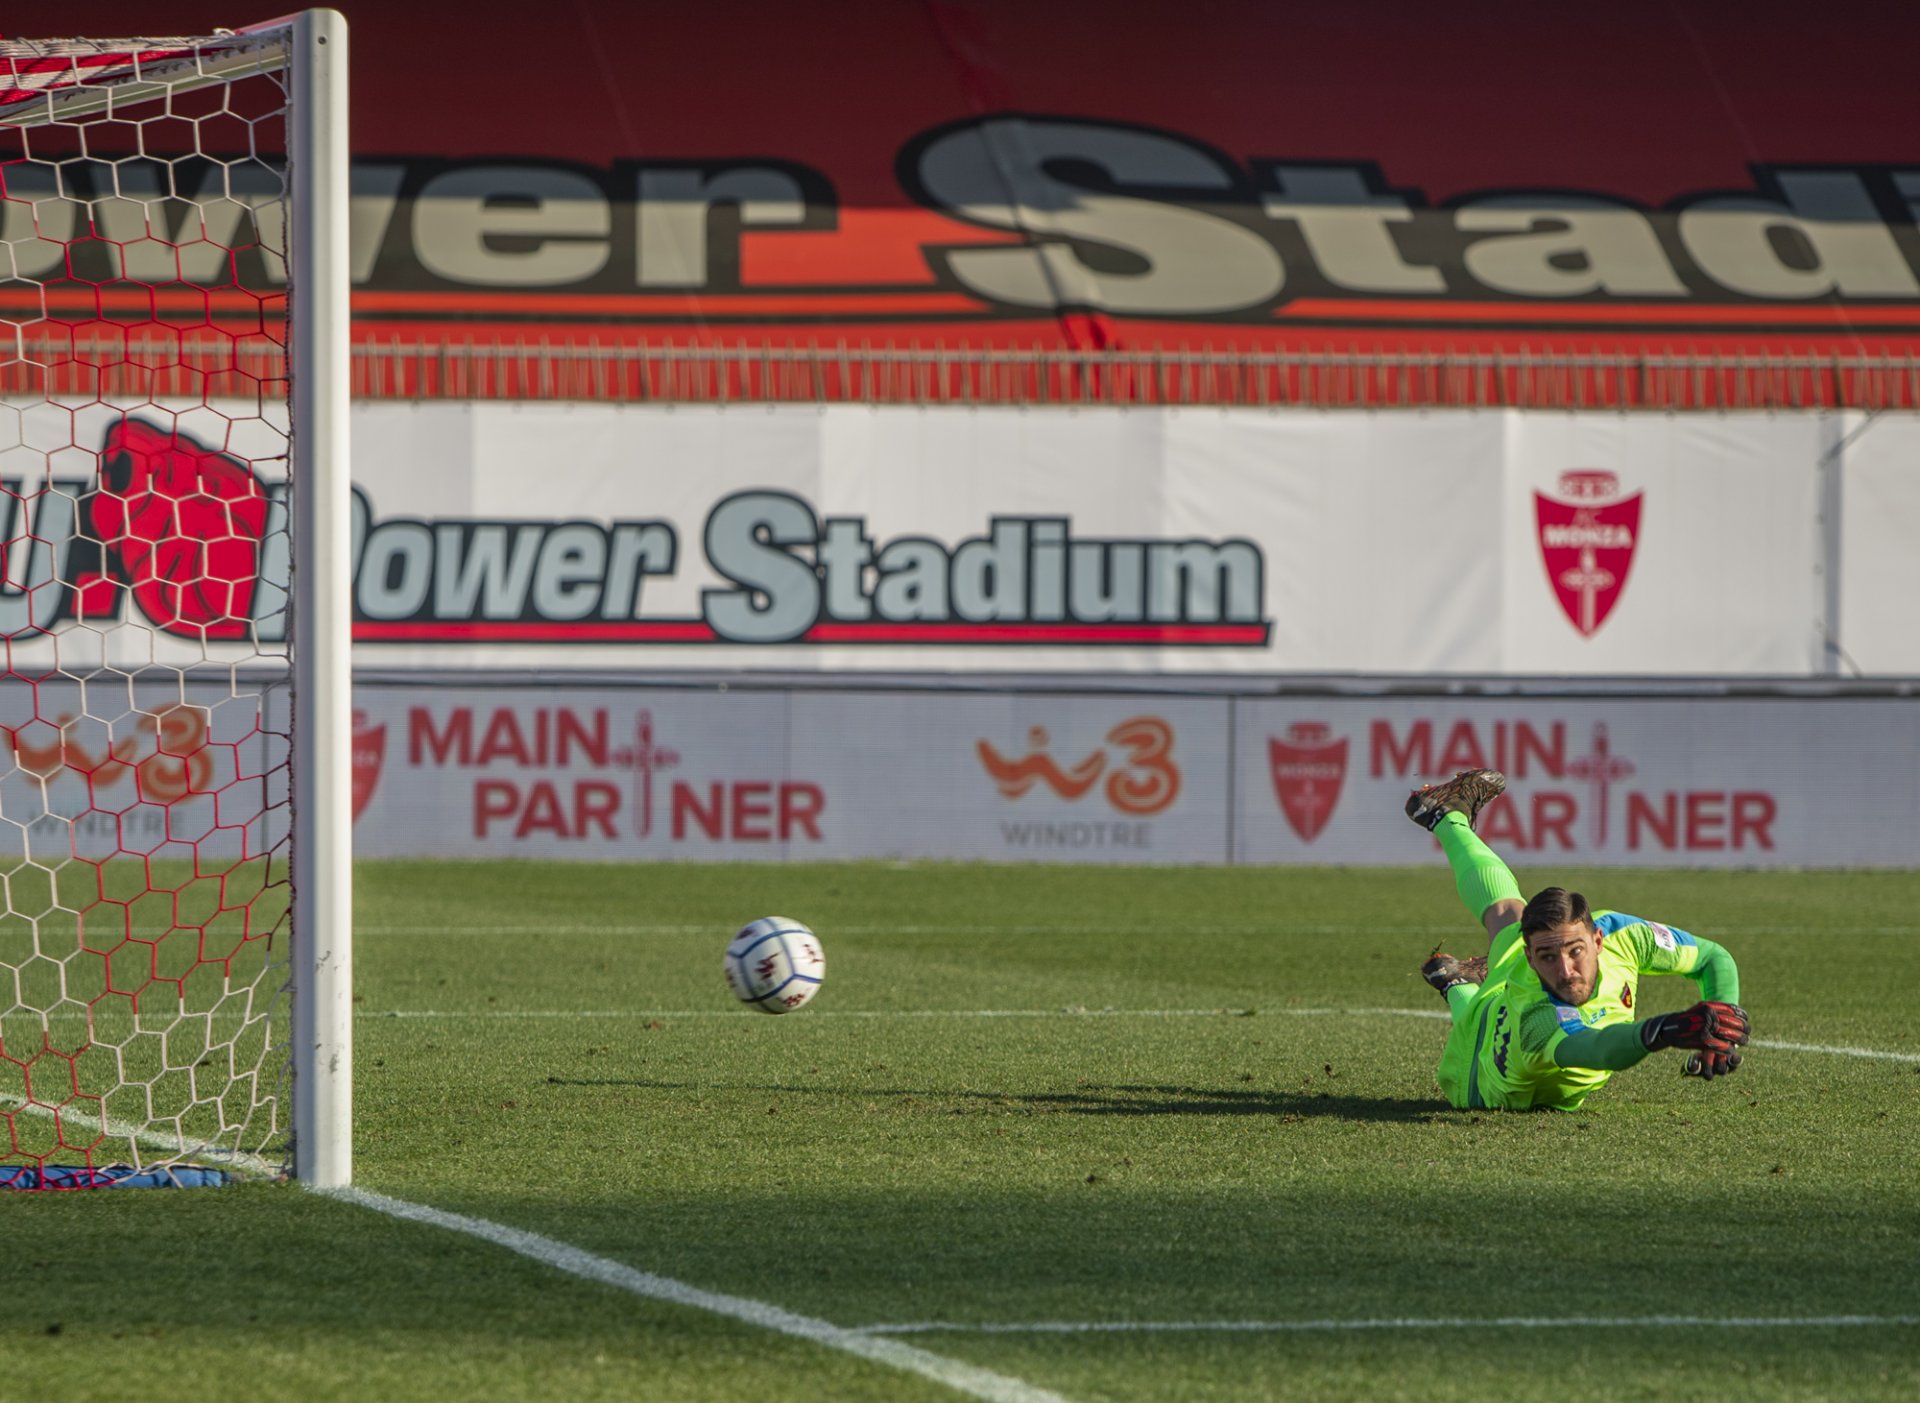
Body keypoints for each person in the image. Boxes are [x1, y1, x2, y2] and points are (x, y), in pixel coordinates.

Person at [1406, 768, 1750, 1111]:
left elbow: (1712, 958)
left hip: (1510, 984)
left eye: (1576, 951)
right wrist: (1663, 1030)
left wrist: (1722, 1021)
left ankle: (1446, 816)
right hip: (1477, 1082)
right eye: (1548, 957)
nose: (1566, 969)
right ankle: (1457, 986)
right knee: (1484, 999)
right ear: (1531, 958)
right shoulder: (1538, 1016)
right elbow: (1598, 1048)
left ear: (1599, 940)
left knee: (1509, 913)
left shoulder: (1624, 934)